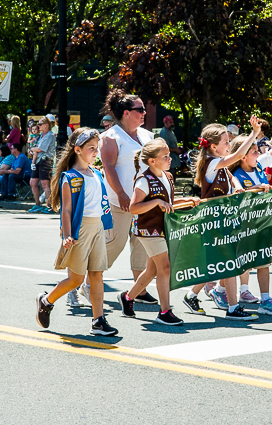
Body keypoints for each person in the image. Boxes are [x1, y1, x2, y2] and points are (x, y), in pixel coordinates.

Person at [36, 128, 118, 336]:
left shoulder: (96, 173)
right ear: (78, 150)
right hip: (79, 230)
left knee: (97, 274)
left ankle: (98, 320)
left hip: (97, 227)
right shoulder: (70, 177)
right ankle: (46, 301)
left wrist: (105, 226)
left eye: (96, 148)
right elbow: (67, 209)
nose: (95, 152)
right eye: (91, 148)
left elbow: (100, 203)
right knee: (76, 279)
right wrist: (67, 234)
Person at [183, 117, 260, 321]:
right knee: (229, 263)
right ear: (214, 147)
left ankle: (191, 295)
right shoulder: (213, 163)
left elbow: (230, 176)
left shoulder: (219, 164)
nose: (229, 144)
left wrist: (237, 186)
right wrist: (253, 133)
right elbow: (238, 155)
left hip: (223, 219)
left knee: (220, 263)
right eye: (226, 142)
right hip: (213, 221)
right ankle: (233, 308)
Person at [118, 139, 201, 325]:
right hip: (148, 229)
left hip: (162, 228)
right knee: (164, 267)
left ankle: (128, 297)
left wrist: (187, 200)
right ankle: (164, 311)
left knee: (152, 269)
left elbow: (168, 203)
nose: (170, 159)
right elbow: (133, 208)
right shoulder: (144, 180)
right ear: (152, 161)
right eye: (165, 156)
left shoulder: (168, 176)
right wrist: (156, 202)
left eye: (169, 155)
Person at [221, 112, 272, 315]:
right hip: (244, 227)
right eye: (254, 151)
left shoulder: (260, 165)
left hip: (262, 223)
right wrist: (257, 189)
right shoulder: (237, 175)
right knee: (239, 263)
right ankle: (219, 290)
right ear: (242, 156)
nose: (259, 153)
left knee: (264, 261)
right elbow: (239, 196)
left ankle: (265, 300)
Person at [93, 88, 157, 305]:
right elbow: (108, 167)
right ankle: (88, 281)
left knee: (142, 243)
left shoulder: (148, 136)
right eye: (139, 109)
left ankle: (138, 289)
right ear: (126, 113)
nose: (144, 112)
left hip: (144, 200)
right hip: (119, 200)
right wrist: (120, 193)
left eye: (143, 108)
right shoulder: (110, 137)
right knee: (114, 243)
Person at [28, 116, 55, 213]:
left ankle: (50, 206)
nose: (38, 126)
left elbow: (40, 149)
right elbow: (36, 148)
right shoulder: (40, 136)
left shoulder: (50, 135)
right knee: (33, 182)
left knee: (45, 184)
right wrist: (33, 150)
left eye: (40, 124)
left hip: (46, 161)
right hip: (38, 161)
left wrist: (31, 149)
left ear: (46, 125)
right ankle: (37, 204)